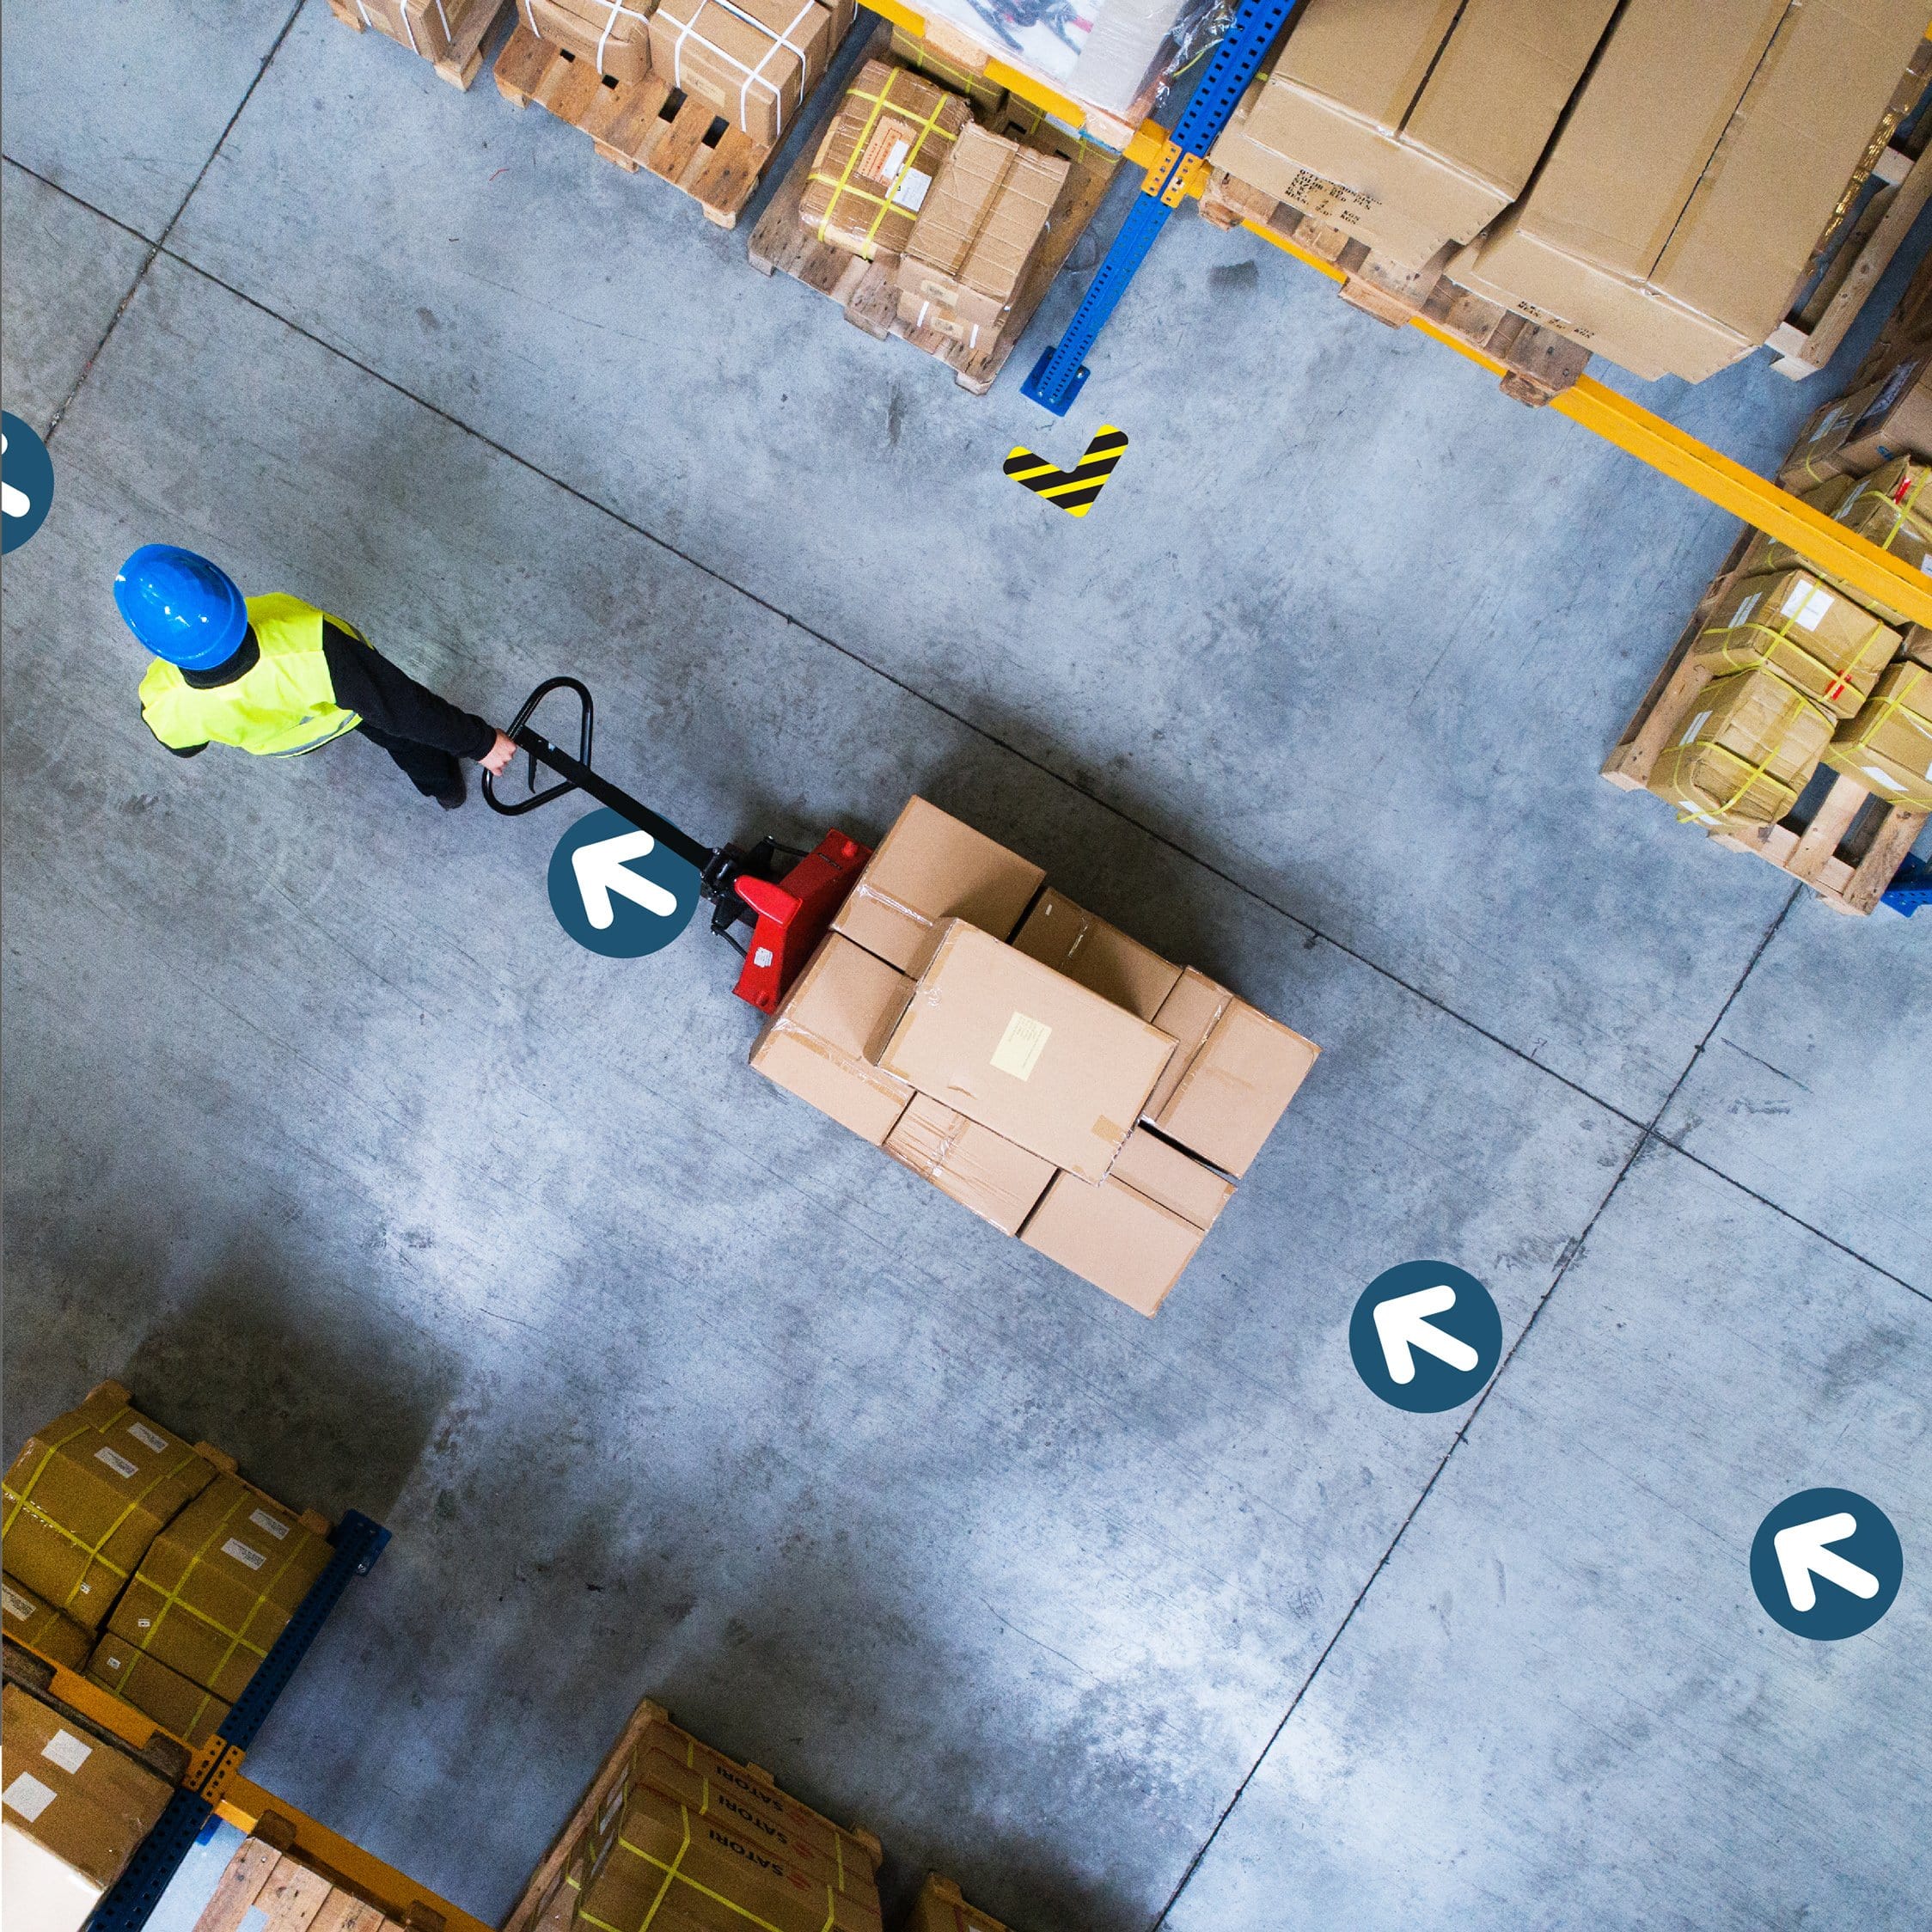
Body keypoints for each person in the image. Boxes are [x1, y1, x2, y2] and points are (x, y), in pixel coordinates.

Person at [115, 545, 517, 808]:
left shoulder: (161, 700)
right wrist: (479, 742)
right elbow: (404, 708)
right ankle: (444, 786)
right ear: (224, 591)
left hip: (290, 741)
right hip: (347, 709)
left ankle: (444, 793)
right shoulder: (312, 650)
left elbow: (184, 747)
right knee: (402, 737)